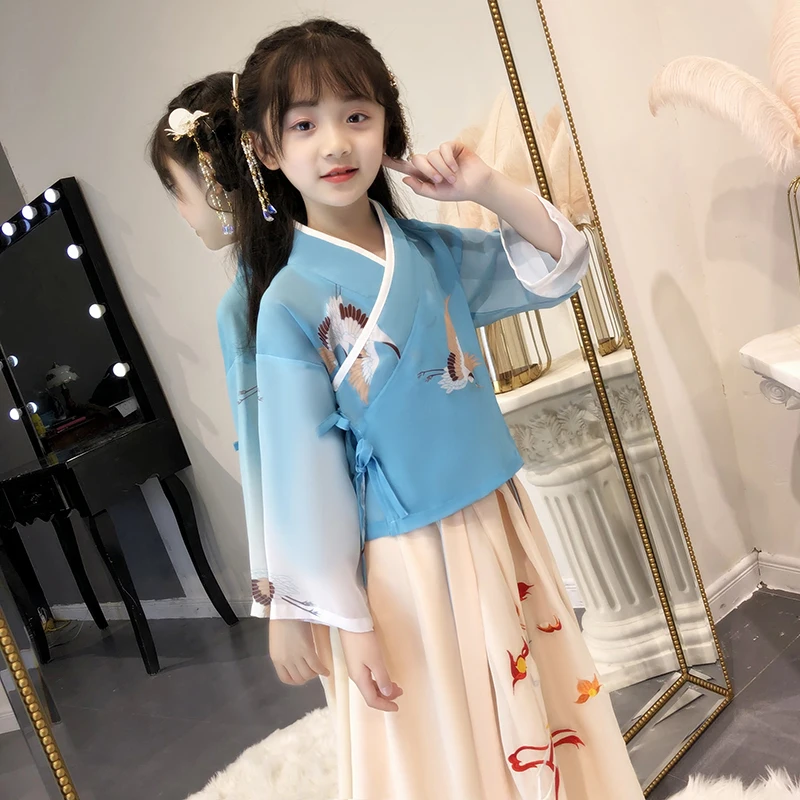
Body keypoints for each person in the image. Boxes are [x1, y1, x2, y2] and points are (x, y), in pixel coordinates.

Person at [150, 17, 643, 798]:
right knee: (448, 739)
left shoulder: (429, 250)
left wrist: (484, 187)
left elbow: (560, 266)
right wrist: (344, 619)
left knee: (540, 707)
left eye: (357, 115)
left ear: (388, 125)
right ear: (267, 151)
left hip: (497, 517)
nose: (335, 143)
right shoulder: (285, 304)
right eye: (304, 126)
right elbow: (302, 475)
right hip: (405, 556)